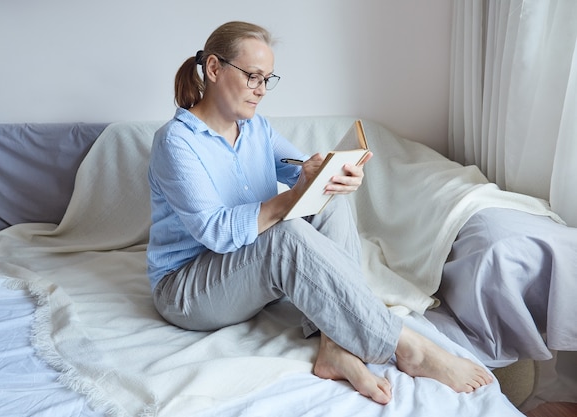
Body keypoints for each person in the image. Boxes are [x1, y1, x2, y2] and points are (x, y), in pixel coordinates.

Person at [146, 20, 493, 404]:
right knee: (285, 235)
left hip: (241, 273)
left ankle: (334, 344)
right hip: (187, 290)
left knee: (329, 202)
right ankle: (407, 345)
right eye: (253, 77)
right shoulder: (176, 142)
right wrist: (291, 198)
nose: (261, 90)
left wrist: (331, 175)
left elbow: (301, 173)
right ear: (214, 69)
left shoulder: (256, 128)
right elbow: (215, 232)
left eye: (267, 79)